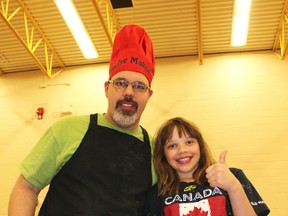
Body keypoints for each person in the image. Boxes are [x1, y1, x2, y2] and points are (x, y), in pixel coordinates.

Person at [8, 24, 156, 216]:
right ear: (106, 88)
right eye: (120, 83)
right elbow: (26, 188)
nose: (129, 92)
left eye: (139, 86)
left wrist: (209, 175)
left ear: (149, 95)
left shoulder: (155, 149)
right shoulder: (66, 129)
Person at [144, 117, 270, 216]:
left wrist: (233, 188)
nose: (182, 150)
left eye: (189, 142)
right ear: (163, 154)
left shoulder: (232, 176)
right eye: (172, 145)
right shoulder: (157, 193)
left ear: (200, 146)